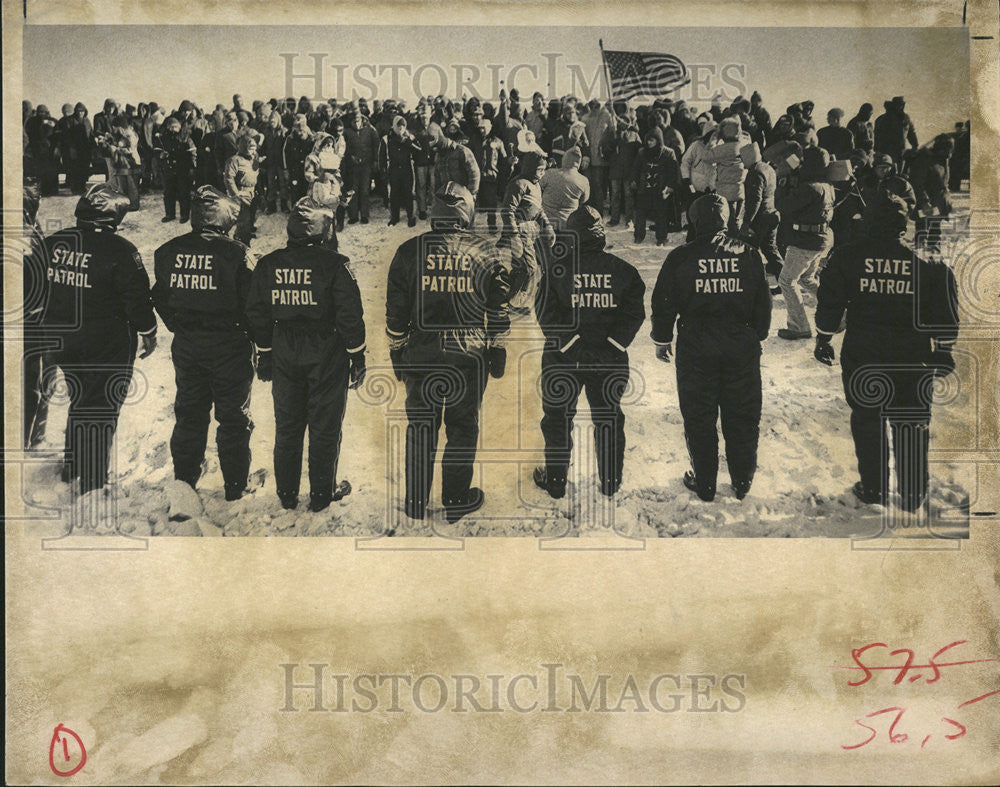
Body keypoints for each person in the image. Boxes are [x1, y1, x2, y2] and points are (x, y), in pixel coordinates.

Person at [814, 193, 958, 510]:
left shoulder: (848, 255)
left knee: (868, 420)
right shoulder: (928, 260)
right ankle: (912, 493)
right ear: (902, 224)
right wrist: (944, 349)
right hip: (914, 357)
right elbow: (945, 310)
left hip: (865, 354)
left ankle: (874, 488)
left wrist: (823, 338)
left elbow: (830, 301)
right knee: (911, 421)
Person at [385, 182, 511, 523]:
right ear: (466, 214)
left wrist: (397, 350)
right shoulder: (486, 252)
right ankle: (456, 499)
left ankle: (415, 502)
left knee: (421, 427)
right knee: (462, 427)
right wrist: (497, 347)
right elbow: (499, 308)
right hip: (467, 357)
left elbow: (395, 313)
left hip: (421, 354)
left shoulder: (409, 251)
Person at [246, 198, 367, 512]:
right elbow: (350, 315)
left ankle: (287, 494)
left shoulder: (268, 264)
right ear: (324, 230)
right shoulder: (336, 264)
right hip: (326, 349)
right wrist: (358, 356)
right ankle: (321, 494)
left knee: (287, 425)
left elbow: (257, 313)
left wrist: (266, 352)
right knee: (324, 427)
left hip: (284, 346)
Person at [650, 194, 772, 501]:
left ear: (695, 220)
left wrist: (662, 339)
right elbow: (763, 302)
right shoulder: (750, 254)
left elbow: (664, 301)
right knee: (742, 414)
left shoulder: (681, 256)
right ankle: (742, 480)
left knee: (699, 414)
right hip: (739, 345)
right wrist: (755, 335)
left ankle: (705, 482)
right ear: (726, 220)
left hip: (696, 346)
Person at [42, 184, 158, 493]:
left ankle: (72, 466)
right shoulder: (121, 250)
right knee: (101, 407)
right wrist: (148, 330)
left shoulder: (53, 242)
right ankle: (92, 481)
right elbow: (137, 298)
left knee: (79, 398)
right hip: (106, 344)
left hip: (61, 339)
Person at [533, 205, 646, 499]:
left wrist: (572, 346)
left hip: (562, 359)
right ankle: (610, 482)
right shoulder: (625, 271)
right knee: (608, 417)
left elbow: (545, 312)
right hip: (609, 360)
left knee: (558, 418)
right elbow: (633, 314)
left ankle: (556, 482)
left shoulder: (557, 270)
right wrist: (611, 346)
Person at [151, 186, 256, 500]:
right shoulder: (237, 253)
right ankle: (236, 486)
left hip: (187, 345)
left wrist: (180, 325)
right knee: (234, 418)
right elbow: (252, 305)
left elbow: (159, 297)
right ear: (225, 218)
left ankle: (184, 481)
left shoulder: (168, 250)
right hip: (230, 346)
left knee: (189, 413)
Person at [775, 146, 835, 339]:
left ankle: (798, 326)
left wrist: (783, 183)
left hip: (804, 242)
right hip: (819, 241)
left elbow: (783, 206)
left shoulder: (809, 188)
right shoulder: (827, 186)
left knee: (786, 281)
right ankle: (839, 313)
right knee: (807, 279)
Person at [499, 144, 554, 309]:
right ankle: (513, 300)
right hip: (519, 232)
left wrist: (547, 226)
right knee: (529, 267)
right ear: (530, 168)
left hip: (529, 232)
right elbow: (507, 211)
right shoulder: (519, 184)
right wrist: (514, 236)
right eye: (539, 170)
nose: (542, 174)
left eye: (544, 170)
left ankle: (506, 297)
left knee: (520, 268)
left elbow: (537, 209)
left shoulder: (535, 185)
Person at [739, 148, 783, 291]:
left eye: (742, 158)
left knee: (749, 251)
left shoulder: (755, 172)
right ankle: (784, 283)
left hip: (760, 218)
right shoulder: (768, 168)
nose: (741, 161)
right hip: (772, 213)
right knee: (770, 250)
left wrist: (746, 223)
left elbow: (754, 201)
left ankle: (748, 284)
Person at [631, 127, 680, 245]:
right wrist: (634, 181)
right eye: (648, 140)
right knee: (640, 213)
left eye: (652, 141)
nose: (649, 143)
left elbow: (673, 172)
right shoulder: (642, 152)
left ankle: (661, 238)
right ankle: (638, 236)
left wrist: (670, 186)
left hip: (660, 188)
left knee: (661, 214)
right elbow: (635, 168)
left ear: (658, 141)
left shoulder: (668, 153)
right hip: (644, 188)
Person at [381, 115, 422, 227]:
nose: (400, 129)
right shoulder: (386, 138)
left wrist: (408, 142)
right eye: (398, 127)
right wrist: (383, 171)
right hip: (393, 170)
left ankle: (411, 216)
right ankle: (395, 217)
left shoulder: (410, 137)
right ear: (394, 126)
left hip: (407, 169)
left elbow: (419, 151)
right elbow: (382, 156)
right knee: (394, 194)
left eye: (402, 127)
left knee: (408, 193)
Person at [155, 116, 197, 223]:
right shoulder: (163, 138)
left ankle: (185, 215)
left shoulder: (186, 138)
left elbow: (193, 153)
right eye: (171, 127)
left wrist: (192, 167)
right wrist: (161, 155)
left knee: (183, 192)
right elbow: (157, 150)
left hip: (182, 169)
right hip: (168, 169)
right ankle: (170, 214)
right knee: (168, 192)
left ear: (179, 127)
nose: (173, 129)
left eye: (175, 127)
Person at [540, 146, 590, 230]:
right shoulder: (583, 180)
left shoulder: (549, 174)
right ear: (579, 162)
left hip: (546, 223)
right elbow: (584, 200)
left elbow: (537, 189)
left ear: (564, 159)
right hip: (568, 224)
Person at [343, 110, 380, 224]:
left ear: (362, 120)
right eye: (354, 122)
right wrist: (350, 157)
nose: (356, 124)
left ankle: (364, 215)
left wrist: (374, 161)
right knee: (353, 190)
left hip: (366, 165)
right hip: (352, 167)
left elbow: (376, 146)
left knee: (365, 190)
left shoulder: (370, 130)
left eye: (358, 121)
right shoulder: (347, 132)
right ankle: (353, 216)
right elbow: (343, 149)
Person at [607, 106, 641, 228]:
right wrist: (613, 142)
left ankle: (629, 219)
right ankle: (614, 218)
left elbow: (639, 152)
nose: (623, 123)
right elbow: (606, 149)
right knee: (615, 195)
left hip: (628, 171)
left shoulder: (634, 135)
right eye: (621, 121)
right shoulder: (613, 133)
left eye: (626, 121)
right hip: (615, 170)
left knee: (628, 196)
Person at [223, 134, 260, 245]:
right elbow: (229, 178)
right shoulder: (234, 160)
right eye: (250, 149)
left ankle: (247, 231)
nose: (252, 151)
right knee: (243, 218)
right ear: (243, 147)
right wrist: (235, 194)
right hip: (241, 193)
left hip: (252, 191)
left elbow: (256, 174)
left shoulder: (254, 158)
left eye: (254, 149)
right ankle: (241, 239)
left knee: (251, 215)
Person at [874, 96, 918, 168]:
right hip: (885, 152)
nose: (901, 107)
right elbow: (876, 135)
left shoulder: (905, 119)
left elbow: (911, 132)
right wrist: (877, 150)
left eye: (902, 105)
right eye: (898, 104)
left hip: (900, 153)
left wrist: (915, 145)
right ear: (893, 105)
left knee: (899, 173)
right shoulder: (883, 119)